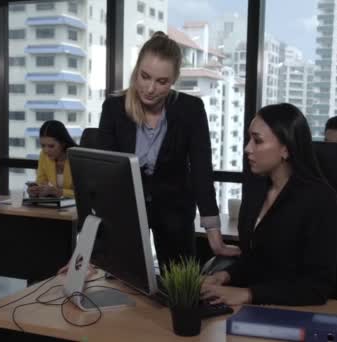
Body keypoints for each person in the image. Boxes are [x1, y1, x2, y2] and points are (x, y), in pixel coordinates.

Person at [96, 31, 239, 268]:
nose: (150, 88)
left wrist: (214, 234)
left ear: (173, 81)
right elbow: (103, 173)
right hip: (126, 212)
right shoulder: (113, 109)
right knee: (124, 284)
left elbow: (202, 171)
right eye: (144, 76)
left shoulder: (191, 110)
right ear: (136, 72)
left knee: (180, 289)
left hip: (175, 212)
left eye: (161, 82)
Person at [201, 103, 337, 306]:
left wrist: (249, 294)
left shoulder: (321, 201)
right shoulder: (257, 189)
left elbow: (316, 288)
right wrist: (224, 276)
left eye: (257, 141)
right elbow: (256, 260)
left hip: (293, 313)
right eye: (249, 139)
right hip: (251, 310)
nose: (247, 148)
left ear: (286, 149)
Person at [27, 120, 77, 198]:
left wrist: (58, 192)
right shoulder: (43, 155)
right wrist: (36, 190)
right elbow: (41, 182)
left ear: (63, 143)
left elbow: (86, 194)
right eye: (43, 145)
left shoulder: (77, 157)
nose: (46, 150)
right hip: (54, 206)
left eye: (51, 146)